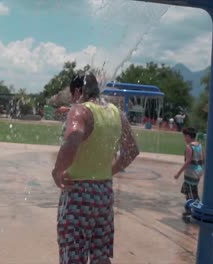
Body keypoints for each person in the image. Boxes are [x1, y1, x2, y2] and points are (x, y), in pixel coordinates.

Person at [52, 73, 139, 264]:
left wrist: (57, 171)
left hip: (78, 194)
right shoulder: (116, 113)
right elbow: (132, 150)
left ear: (77, 91)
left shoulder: (80, 111)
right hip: (104, 193)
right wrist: (109, 172)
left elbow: (73, 137)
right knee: (101, 255)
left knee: (73, 253)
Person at [174, 127, 204, 216]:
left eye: (184, 136)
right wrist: (202, 170)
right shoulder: (199, 145)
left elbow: (187, 162)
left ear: (188, 136)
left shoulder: (189, 147)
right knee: (192, 190)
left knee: (190, 193)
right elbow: (204, 159)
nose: (184, 139)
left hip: (191, 173)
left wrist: (178, 173)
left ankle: (193, 210)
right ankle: (191, 209)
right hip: (198, 172)